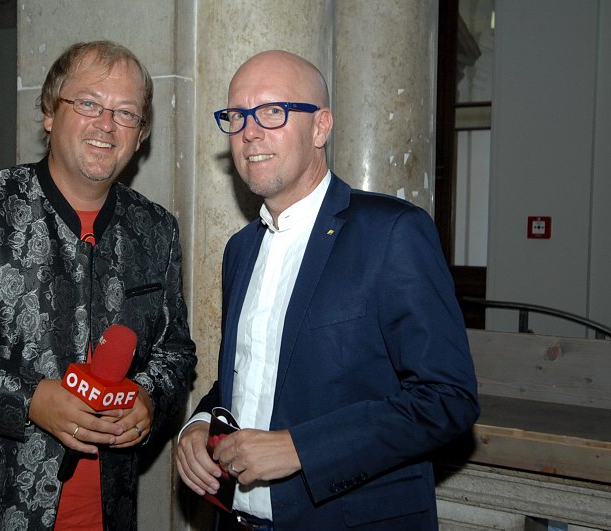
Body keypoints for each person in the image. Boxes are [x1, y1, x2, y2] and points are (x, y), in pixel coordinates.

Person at [0, 40, 196, 531]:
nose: (106, 124)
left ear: (140, 136)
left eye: (126, 113)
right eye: (88, 103)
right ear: (50, 112)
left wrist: (149, 397)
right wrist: (27, 399)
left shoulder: (156, 230)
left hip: (108, 513)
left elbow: (174, 351)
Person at [175, 50, 479, 530]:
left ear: (320, 127)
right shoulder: (240, 250)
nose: (249, 131)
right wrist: (198, 426)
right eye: (237, 116)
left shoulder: (391, 233)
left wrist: (300, 449)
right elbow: (252, 376)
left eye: (272, 111)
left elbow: (448, 398)